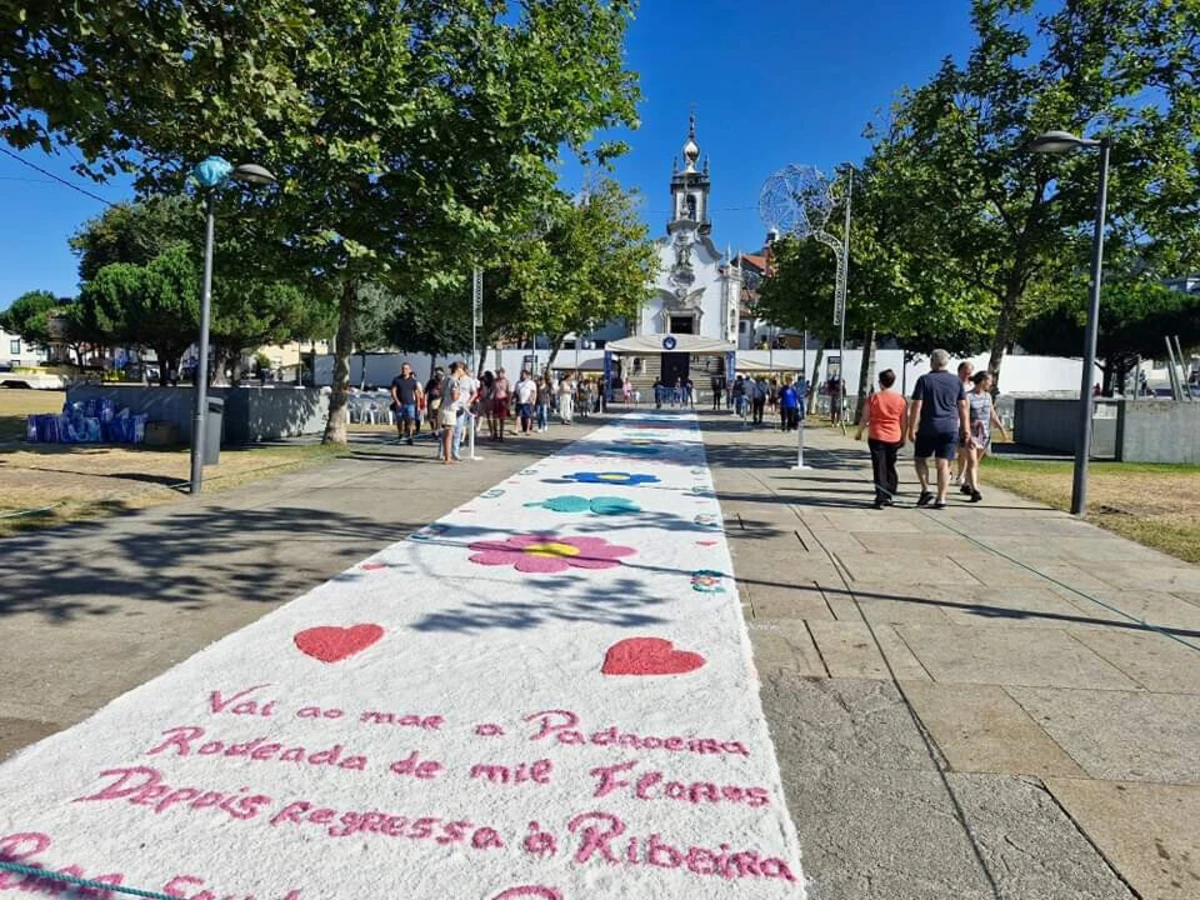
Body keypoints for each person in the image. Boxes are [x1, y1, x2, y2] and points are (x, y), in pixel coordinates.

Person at [907, 348, 970, 509]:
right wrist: (965, 428)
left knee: (920, 458)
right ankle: (941, 498)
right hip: (949, 427)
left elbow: (917, 405)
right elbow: (963, 406)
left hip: (929, 427)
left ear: (932, 361)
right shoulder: (956, 381)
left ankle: (926, 489)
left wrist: (911, 427)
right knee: (943, 463)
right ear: (947, 362)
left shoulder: (924, 380)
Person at [856, 369, 907, 509]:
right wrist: (903, 436)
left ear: (880, 382)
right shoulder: (900, 399)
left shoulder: (873, 398)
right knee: (890, 465)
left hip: (877, 435)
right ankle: (890, 493)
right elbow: (903, 421)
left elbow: (865, 417)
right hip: (894, 436)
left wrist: (859, 432)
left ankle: (881, 496)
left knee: (879, 466)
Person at [962, 370, 1009, 503]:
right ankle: (975, 490)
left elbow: (992, 414)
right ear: (982, 381)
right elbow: (964, 416)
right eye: (989, 380)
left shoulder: (988, 396)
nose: (991, 383)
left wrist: (1001, 429)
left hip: (984, 434)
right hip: (971, 433)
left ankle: (967, 483)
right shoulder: (968, 396)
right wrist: (967, 433)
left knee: (976, 462)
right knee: (972, 462)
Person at [952, 360, 976, 485]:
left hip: (965, 422)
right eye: (965, 371)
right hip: (951, 421)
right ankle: (947, 470)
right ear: (959, 371)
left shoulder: (972, 386)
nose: (967, 374)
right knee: (950, 450)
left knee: (963, 451)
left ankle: (960, 475)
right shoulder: (953, 383)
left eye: (970, 372)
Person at [389, 362, 423, 446]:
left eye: (406, 369)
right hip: (400, 404)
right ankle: (400, 434)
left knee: (410, 420)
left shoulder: (413, 381)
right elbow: (393, 391)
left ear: (410, 370)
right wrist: (397, 401)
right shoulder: (397, 379)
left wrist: (418, 405)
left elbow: (416, 394)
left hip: (410, 404)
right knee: (400, 420)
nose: (405, 370)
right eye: (403, 368)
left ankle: (409, 437)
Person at [439, 362, 464, 464]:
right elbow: (454, 397)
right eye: (463, 369)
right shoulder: (454, 381)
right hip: (450, 409)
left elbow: (441, 392)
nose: (463, 372)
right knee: (449, 434)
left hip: (443, 408)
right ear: (458, 369)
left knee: (446, 434)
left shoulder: (446, 379)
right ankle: (447, 458)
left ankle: (446, 456)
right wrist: (459, 394)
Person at [424, 365, 445, 442]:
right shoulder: (431, 381)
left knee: (438, 417)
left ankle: (437, 432)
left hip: (440, 400)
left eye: (439, 373)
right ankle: (433, 431)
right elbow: (425, 391)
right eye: (436, 373)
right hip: (431, 401)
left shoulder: (444, 382)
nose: (437, 374)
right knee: (431, 417)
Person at [491, 368, 511, 441]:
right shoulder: (495, 381)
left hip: (503, 399)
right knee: (495, 417)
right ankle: (495, 433)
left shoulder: (506, 381)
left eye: (500, 373)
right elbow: (492, 390)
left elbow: (509, 392)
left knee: (502, 418)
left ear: (503, 373)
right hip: (496, 399)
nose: (499, 374)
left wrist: (508, 403)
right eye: (497, 373)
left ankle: (501, 435)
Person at [515, 369, 537, 435]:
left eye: (523, 374)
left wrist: (532, 400)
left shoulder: (531, 383)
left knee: (528, 416)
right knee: (518, 416)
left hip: (528, 403)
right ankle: (516, 429)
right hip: (520, 402)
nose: (521, 375)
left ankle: (528, 430)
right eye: (521, 374)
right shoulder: (518, 383)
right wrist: (516, 399)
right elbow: (516, 392)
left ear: (527, 375)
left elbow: (533, 392)